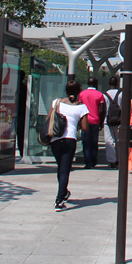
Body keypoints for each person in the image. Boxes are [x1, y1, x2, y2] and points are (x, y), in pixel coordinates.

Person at [50, 80, 89, 210]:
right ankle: (59, 200)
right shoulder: (81, 107)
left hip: (55, 140)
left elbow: (49, 119)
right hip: (69, 140)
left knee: (60, 167)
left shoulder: (56, 103)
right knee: (65, 169)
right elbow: (85, 128)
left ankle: (64, 192)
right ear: (79, 91)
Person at [79, 77, 105, 169]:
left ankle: (88, 162)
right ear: (96, 84)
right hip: (95, 120)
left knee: (86, 142)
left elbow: (79, 107)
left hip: (85, 121)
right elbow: (101, 110)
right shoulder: (100, 95)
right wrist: (101, 122)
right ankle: (94, 160)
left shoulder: (82, 94)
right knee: (94, 142)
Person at [104, 76, 121, 169]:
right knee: (119, 140)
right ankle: (119, 159)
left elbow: (103, 109)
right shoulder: (121, 94)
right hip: (119, 120)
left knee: (109, 140)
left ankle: (112, 160)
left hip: (108, 120)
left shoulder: (105, 95)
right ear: (117, 83)